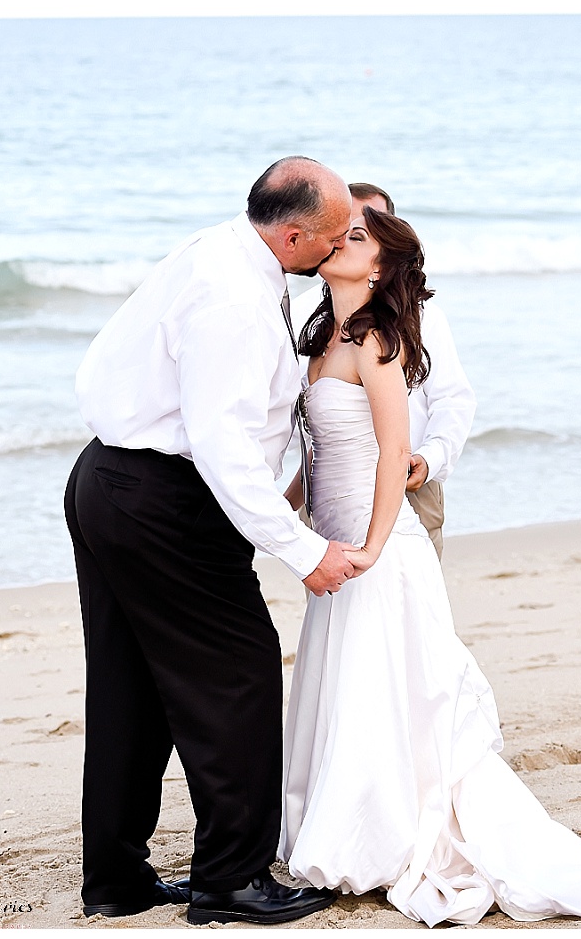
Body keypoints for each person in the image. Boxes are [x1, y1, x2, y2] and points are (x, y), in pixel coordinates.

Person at [278, 205, 581, 926]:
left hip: (378, 549)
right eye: (338, 232)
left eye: (355, 238)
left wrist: (375, 547)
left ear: (379, 268)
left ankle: (380, 837)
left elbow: (389, 455)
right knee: (352, 689)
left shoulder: (376, 338)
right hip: (335, 546)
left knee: (390, 692)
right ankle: (345, 822)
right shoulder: (322, 335)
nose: (338, 242)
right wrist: (288, 520)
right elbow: (319, 453)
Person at [64, 156, 357, 926]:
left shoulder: (224, 251)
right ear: (292, 234)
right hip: (167, 501)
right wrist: (300, 549)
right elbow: (223, 443)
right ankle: (230, 882)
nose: (336, 250)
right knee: (239, 676)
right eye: (330, 240)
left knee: (131, 686)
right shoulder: (232, 296)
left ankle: (117, 881)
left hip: (112, 482)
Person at [290, 181, 476, 558]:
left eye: (364, 231)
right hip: (326, 493)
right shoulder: (307, 316)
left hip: (409, 480)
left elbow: (453, 399)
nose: (344, 240)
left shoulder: (419, 318)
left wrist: (431, 458)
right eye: (344, 228)